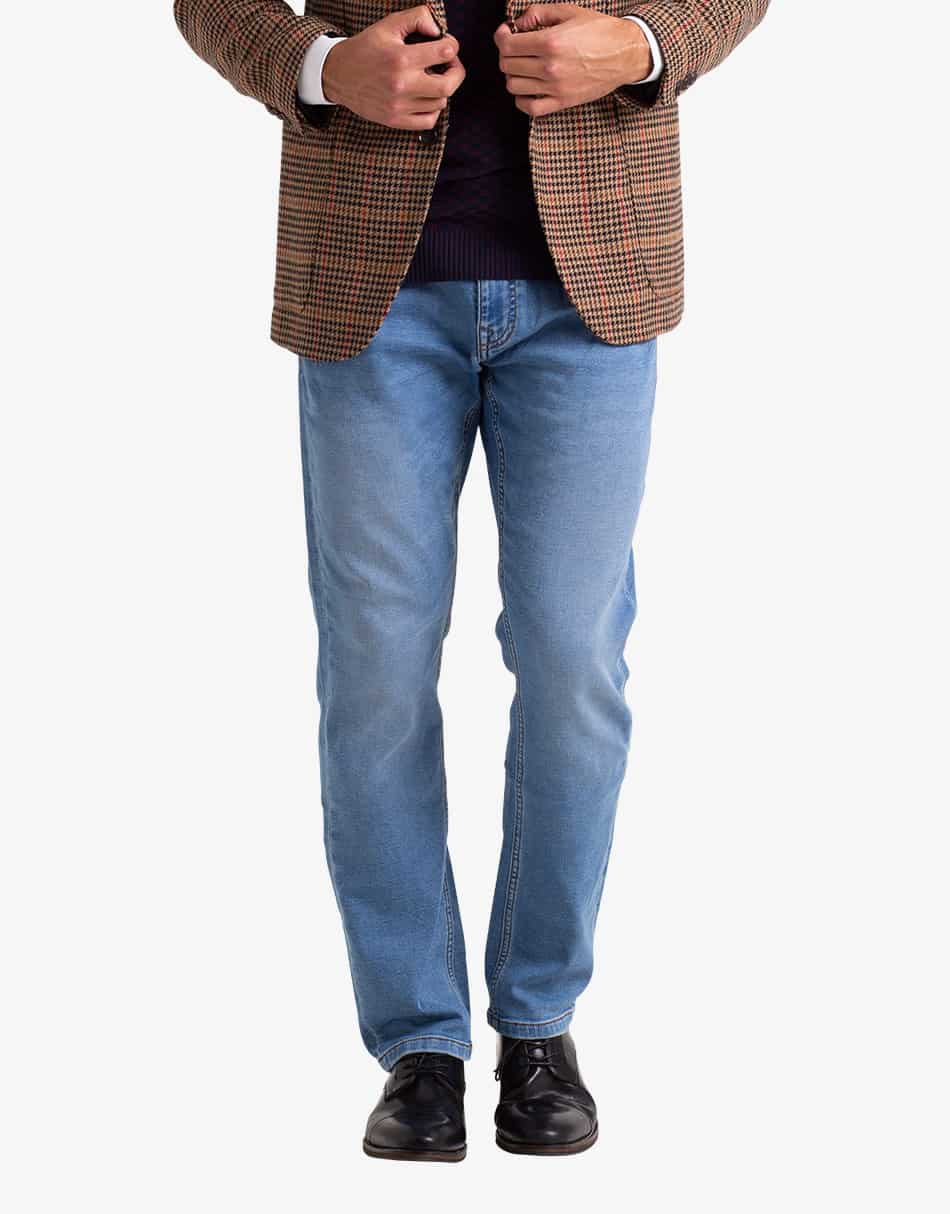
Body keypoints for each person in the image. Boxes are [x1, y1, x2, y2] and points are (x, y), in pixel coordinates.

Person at [174, 0, 770, 1161]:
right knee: (376, 673)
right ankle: (419, 1043)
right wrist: (318, 67)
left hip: (592, 276)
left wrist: (641, 44)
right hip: (371, 283)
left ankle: (537, 1025)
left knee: (571, 661)